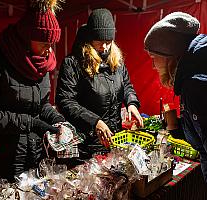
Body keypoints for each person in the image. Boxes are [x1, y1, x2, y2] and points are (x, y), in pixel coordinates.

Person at [144, 12, 207, 200]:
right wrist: (177, 126)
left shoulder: (197, 85)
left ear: (168, 56)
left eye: (153, 57)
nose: (152, 65)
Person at [0, 0, 66, 189]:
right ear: (27, 37)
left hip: (32, 153)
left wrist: (58, 120)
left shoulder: (42, 65)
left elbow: (41, 104)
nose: (50, 50)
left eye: (52, 43)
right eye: (45, 43)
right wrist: (31, 123)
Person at [55, 8, 143, 167]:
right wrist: (95, 121)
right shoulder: (73, 63)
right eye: (99, 41)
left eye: (108, 41)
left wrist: (131, 102)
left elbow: (127, 85)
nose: (104, 47)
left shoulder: (116, 60)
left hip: (114, 137)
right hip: (86, 144)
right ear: (90, 38)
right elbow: (65, 101)